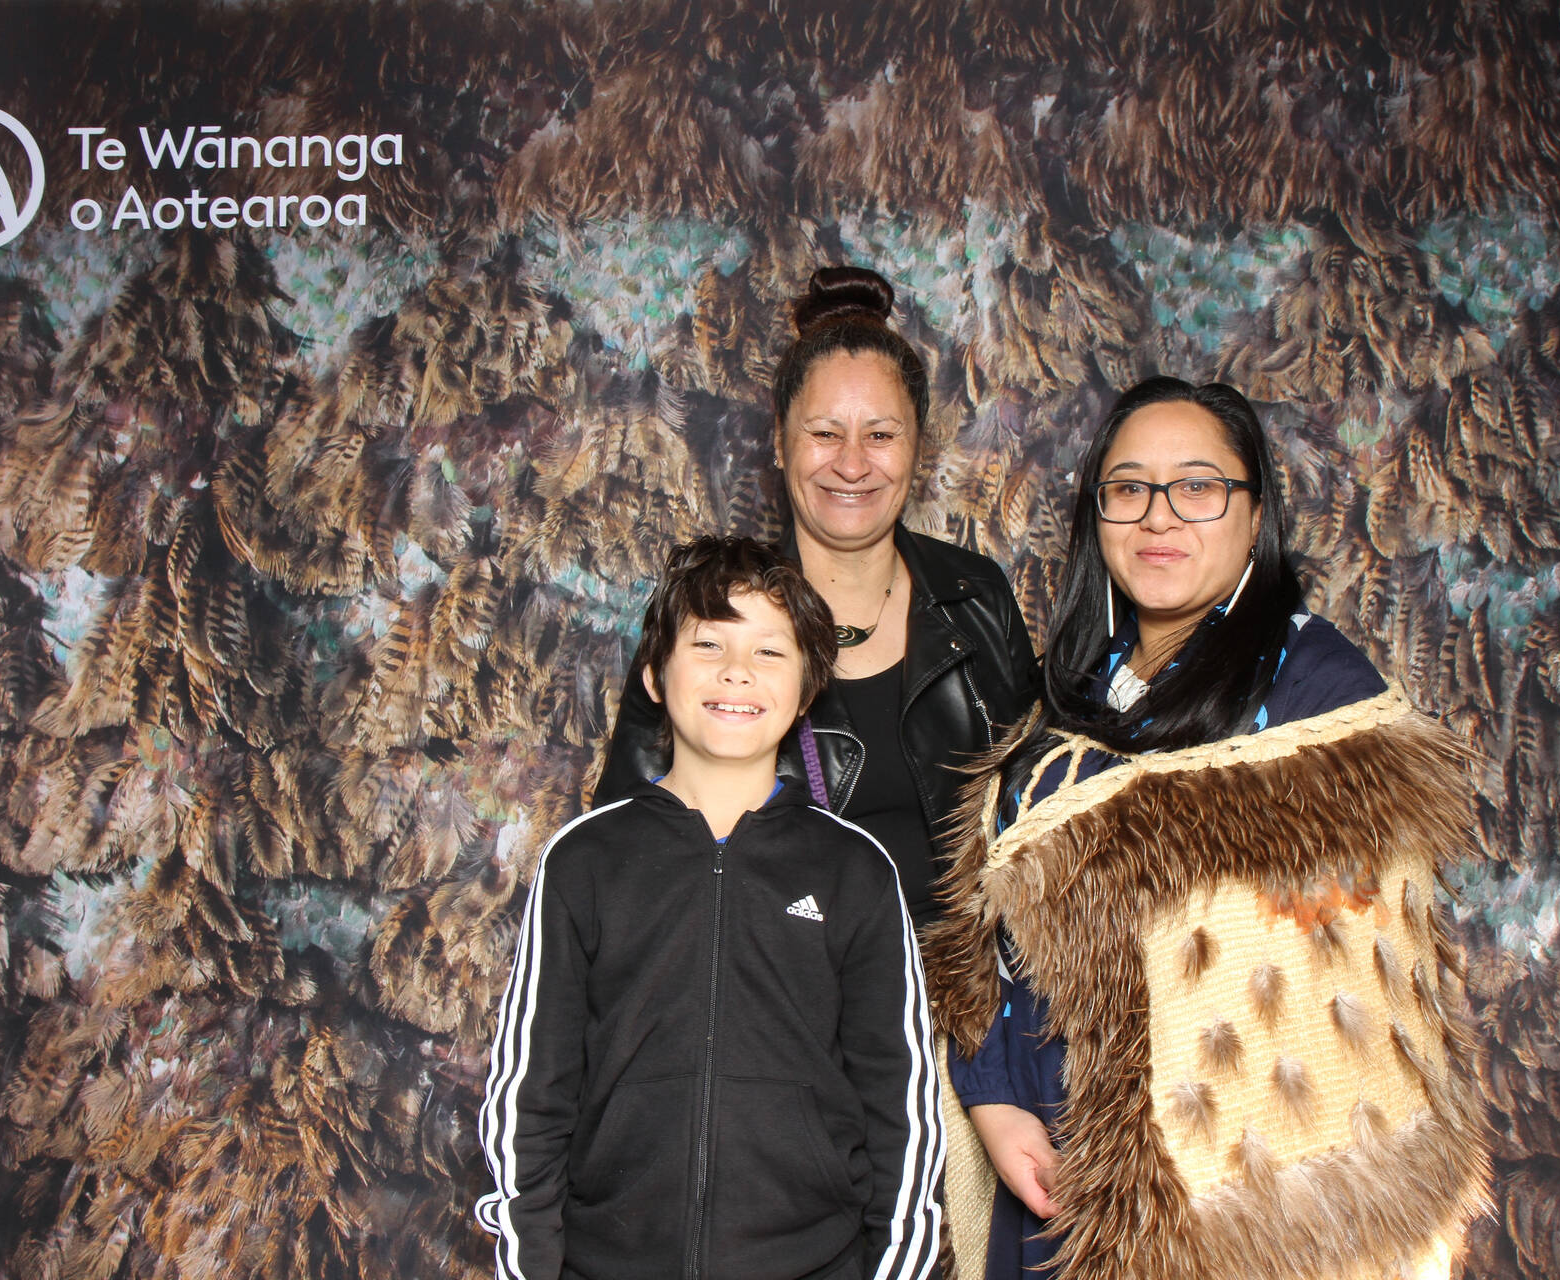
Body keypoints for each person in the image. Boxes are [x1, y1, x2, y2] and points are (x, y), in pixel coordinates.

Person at [923, 378, 1492, 1280]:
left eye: (1197, 486)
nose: (1159, 516)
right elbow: (991, 932)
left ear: (1254, 512)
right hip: (1046, 1170)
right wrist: (994, 1097)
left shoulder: (1316, 688)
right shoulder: (1076, 681)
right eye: (1128, 488)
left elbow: (1347, 997)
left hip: (1224, 1205)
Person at [478, 536, 943, 1280]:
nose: (737, 671)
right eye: (708, 644)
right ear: (655, 675)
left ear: (807, 688)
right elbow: (532, 1090)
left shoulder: (854, 870)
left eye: (770, 652)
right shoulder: (586, 859)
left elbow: (901, 1103)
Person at [597, 267, 1037, 927]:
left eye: (881, 435)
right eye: (825, 433)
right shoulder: (707, 613)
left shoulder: (977, 596)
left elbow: (1043, 808)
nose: (852, 464)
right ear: (779, 442)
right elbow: (621, 854)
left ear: (918, 447)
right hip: (790, 977)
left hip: (973, 973)